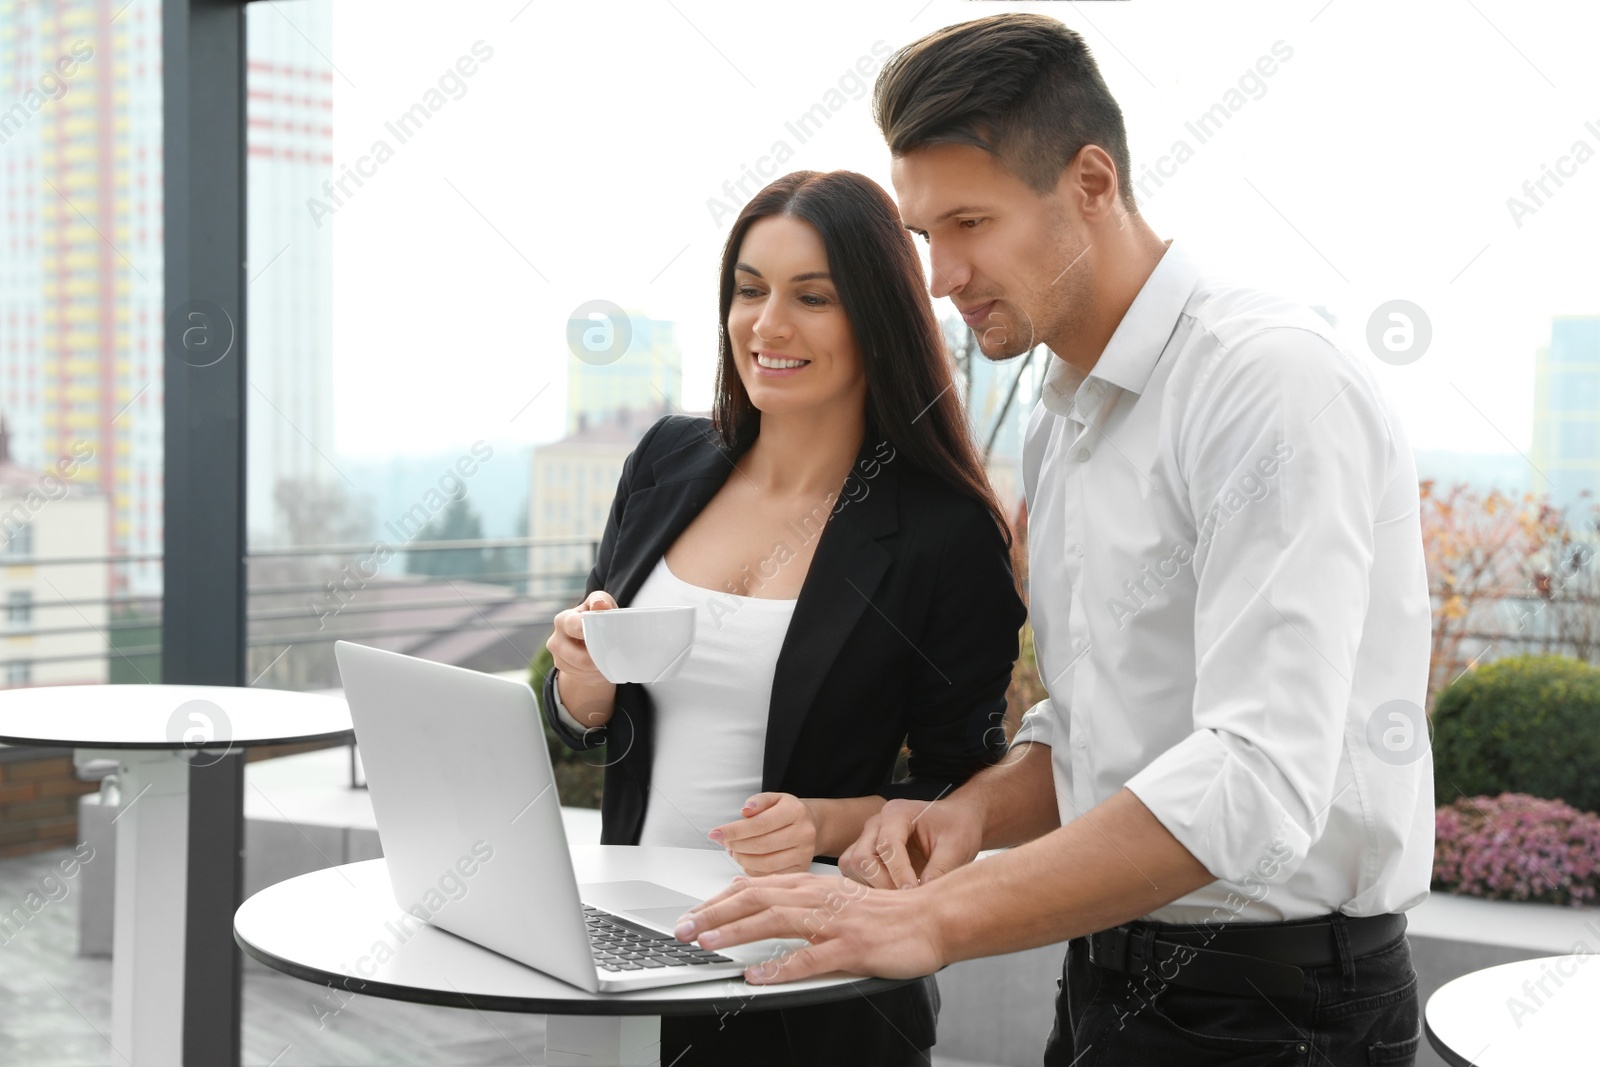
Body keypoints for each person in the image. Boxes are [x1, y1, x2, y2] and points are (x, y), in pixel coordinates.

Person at [672, 13, 1433, 1066]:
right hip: (1106, 974)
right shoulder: (1062, 411)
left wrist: (932, 917)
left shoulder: (1268, 384)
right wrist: (968, 814)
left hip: (1278, 1008)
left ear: (1089, 183)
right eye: (926, 232)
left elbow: (1254, 779)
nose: (939, 274)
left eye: (969, 224)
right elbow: (1093, 730)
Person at [542, 168, 1027, 1066]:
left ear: (877, 320)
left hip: (810, 984)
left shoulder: (941, 533)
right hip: (630, 952)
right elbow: (594, 730)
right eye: (749, 289)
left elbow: (965, 790)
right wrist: (583, 693)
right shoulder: (667, 462)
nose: (767, 325)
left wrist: (828, 823)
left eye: (813, 297)